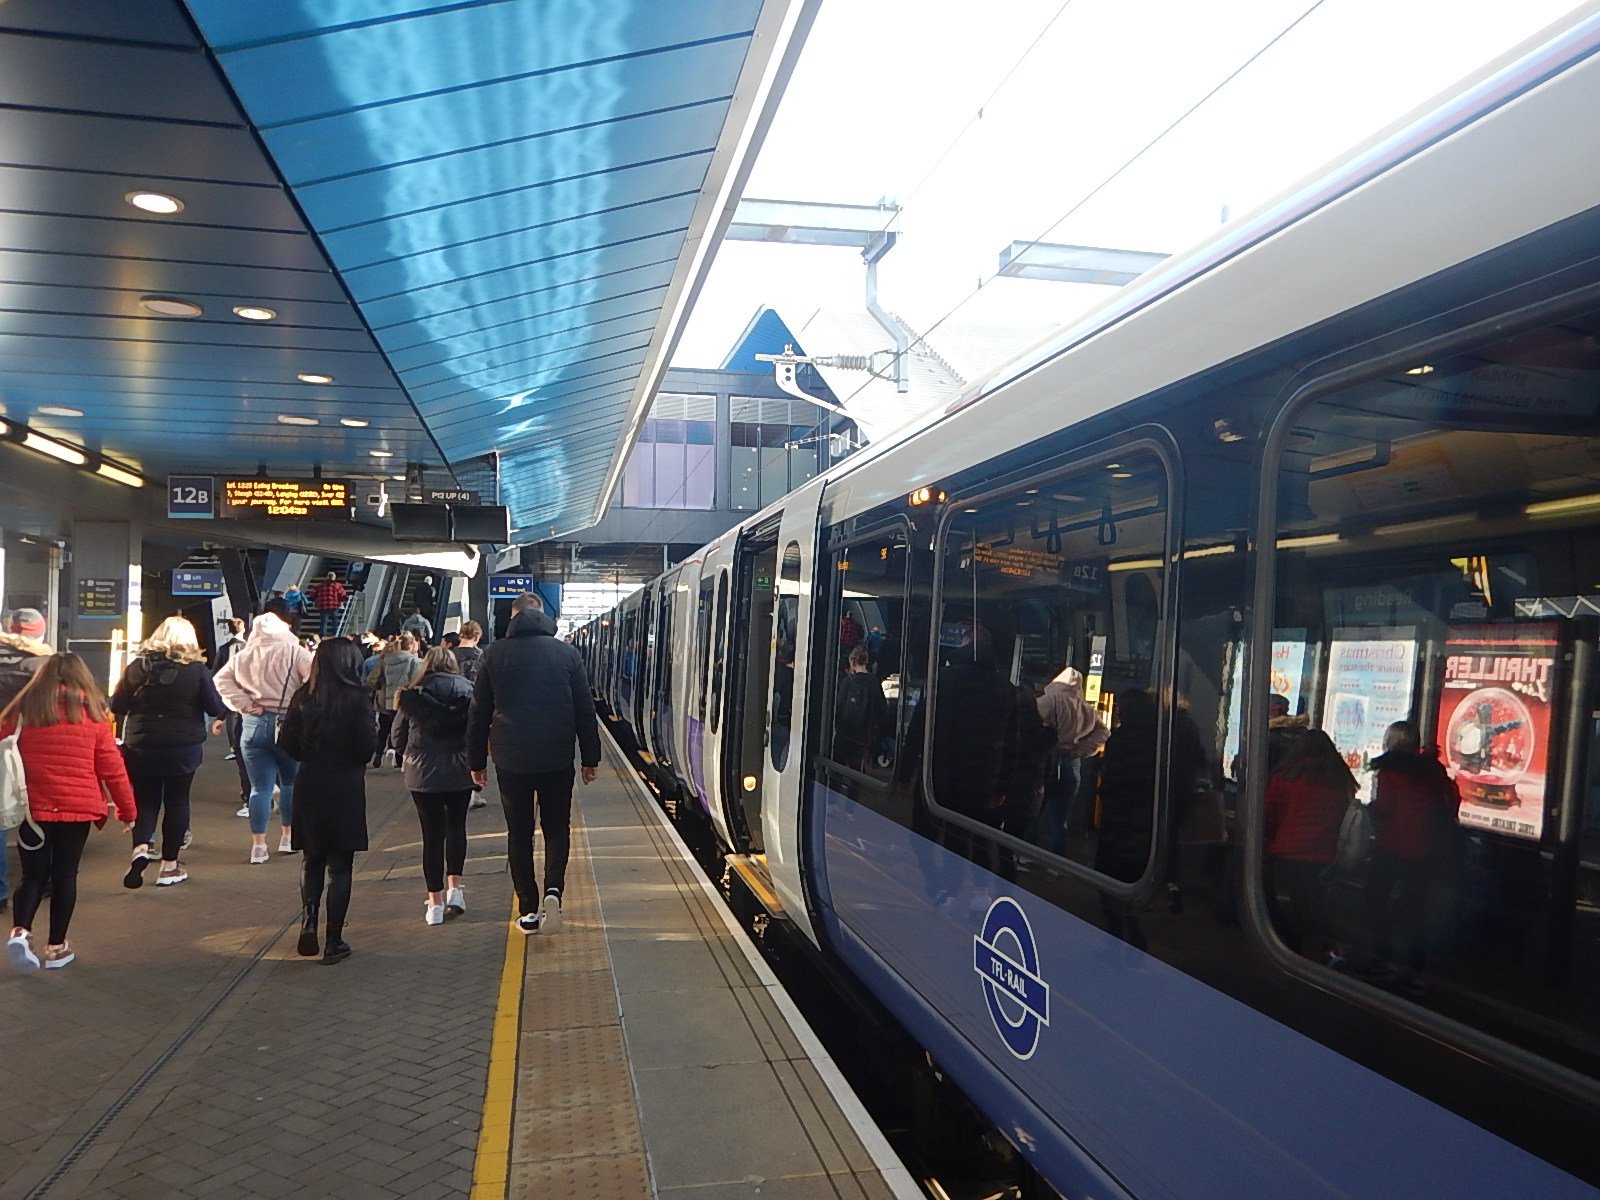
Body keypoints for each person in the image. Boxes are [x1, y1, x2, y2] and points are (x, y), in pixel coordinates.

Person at [467, 592, 600, 935]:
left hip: (511, 758)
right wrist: (590, 758)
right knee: (556, 828)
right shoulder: (567, 653)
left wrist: (476, 762)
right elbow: (585, 710)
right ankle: (554, 890)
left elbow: (478, 713)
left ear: (513, 617)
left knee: (520, 832)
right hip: (557, 755)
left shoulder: (493, 654)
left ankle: (528, 909)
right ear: (543, 615)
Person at [5, 653, 137, 972]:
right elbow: (112, 768)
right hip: (77, 809)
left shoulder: (23, 711)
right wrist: (127, 810)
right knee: (65, 876)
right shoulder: (94, 715)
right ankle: (56, 948)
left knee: (32, 875)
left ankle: (21, 932)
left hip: (32, 808)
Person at [277, 638, 377, 965]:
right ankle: (334, 941)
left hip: (309, 784)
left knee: (312, 859)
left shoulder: (303, 697)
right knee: (341, 867)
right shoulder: (358, 698)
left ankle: (308, 922)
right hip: (345, 786)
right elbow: (366, 748)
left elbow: (288, 745)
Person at [111, 617, 228, 888]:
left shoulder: (137, 667)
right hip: (182, 747)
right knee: (177, 802)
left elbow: (117, 705)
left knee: (145, 801)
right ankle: (169, 866)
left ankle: (141, 848)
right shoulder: (196, 670)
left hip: (141, 745)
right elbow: (214, 707)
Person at [1365, 720, 1461, 994]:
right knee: (1415, 910)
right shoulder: (1433, 769)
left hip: (1392, 845)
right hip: (1426, 848)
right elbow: (1452, 800)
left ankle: (1383, 960)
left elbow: (1384, 808)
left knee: (1375, 900)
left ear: (1391, 741)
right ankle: (1415, 972)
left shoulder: (1389, 771)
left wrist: (1370, 810)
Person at [214, 603, 312, 863]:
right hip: (288, 724)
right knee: (290, 782)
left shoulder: (244, 655)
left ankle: (258, 846)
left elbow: (220, 681)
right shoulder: (295, 652)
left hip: (253, 724)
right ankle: (288, 837)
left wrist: (244, 704)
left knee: (259, 788)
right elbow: (314, 681)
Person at [390, 647, 474, 924]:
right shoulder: (469, 691)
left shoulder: (411, 694)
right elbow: (477, 731)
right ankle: (456, 891)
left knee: (432, 836)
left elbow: (397, 737)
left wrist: (409, 756)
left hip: (422, 773)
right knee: (457, 827)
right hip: (460, 770)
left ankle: (435, 906)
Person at [1264, 729, 1356, 963]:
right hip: (1324, 856)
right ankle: (1328, 955)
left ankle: (1290, 956)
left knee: (1286, 910)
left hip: (1288, 854)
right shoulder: (1339, 779)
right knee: (1316, 909)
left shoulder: (1285, 777)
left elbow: (1269, 816)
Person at [0, 609, 51, 917]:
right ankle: (39, 879)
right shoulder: (45, 665)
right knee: (37, 811)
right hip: (32, 745)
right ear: (40, 634)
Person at [1035, 666, 1109, 854]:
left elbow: (1030, 723)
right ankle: (1057, 861)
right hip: (1072, 764)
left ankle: (1026, 855)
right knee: (1060, 818)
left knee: (1034, 812)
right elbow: (1103, 732)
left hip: (1047, 761)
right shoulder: (1087, 709)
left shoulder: (1048, 700)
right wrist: (1082, 750)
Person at [213, 617, 252, 813]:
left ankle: (232, 746)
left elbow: (216, 672)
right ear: (244, 629)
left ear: (229, 630)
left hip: (229, 694)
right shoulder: (251, 648)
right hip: (251, 698)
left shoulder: (223, 649)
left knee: (232, 723)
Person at [367, 634, 421, 765]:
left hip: (386, 700)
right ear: (410, 646)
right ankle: (398, 758)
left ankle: (378, 754)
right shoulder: (414, 661)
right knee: (401, 729)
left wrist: (380, 688)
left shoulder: (386, 660)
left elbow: (371, 679)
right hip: (404, 701)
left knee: (384, 729)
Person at [832, 645, 885, 771]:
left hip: (844, 734)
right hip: (863, 737)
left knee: (836, 770)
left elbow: (839, 707)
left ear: (852, 662)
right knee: (856, 772)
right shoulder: (874, 683)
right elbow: (882, 711)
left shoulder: (849, 681)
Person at [308, 571, 349, 638]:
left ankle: (323, 636)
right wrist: (342, 600)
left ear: (327, 577)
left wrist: (315, 600)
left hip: (323, 606)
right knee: (334, 622)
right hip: (334, 606)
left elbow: (312, 594)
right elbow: (343, 595)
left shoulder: (320, 585)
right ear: (334, 577)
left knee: (324, 622)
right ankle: (334, 635)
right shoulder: (337, 585)